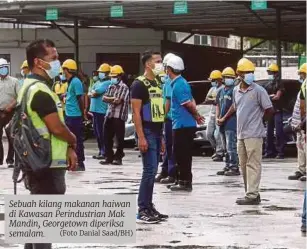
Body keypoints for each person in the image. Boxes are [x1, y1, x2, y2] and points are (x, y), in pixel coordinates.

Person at [20, 39, 77, 249]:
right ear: (38, 62)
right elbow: (57, 128)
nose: (57, 62)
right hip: (47, 163)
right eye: (53, 58)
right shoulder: (41, 91)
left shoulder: (27, 85)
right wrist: (73, 140)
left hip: (34, 160)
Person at [218, 58, 274, 205]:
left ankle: (252, 194)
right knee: (243, 165)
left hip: (254, 134)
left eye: (251, 72)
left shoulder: (259, 91)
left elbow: (269, 109)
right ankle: (250, 192)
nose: (250, 75)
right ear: (239, 74)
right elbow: (235, 107)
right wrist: (224, 117)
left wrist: (261, 122)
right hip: (241, 134)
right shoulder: (236, 90)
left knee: (253, 164)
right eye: (246, 72)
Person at [131, 50, 168, 223]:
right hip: (146, 130)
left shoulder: (159, 83)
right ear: (148, 64)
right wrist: (141, 137)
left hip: (156, 131)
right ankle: (143, 209)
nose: (161, 64)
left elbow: (159, 113)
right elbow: (136, 113)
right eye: (158, 61)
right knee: (149, 170)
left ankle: (149, 206)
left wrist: (161, 138)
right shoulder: (139, 84)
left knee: (153, 170)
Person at [167, 55, 205, 192]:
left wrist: (197, 116)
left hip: (183, 125)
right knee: (180, 154)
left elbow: (188, 104)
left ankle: (185, 182)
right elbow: (192, 100)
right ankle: (181, 180)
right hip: (181, 124)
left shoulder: (179, 85)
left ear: (169, 69)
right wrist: (196, 115)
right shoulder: (181, 83)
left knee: (182, 154)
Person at [100, 65, 129, 166]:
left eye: (114, 76)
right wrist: (112, 99)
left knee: (119, 138)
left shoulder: (124, 87)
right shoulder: (110, 86)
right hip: (109, 114)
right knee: (106, 137)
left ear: (120, 76)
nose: (112, 78)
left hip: (119, 116)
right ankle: (109, 157)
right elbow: (104, 98)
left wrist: (110, 99)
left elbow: (118, 100)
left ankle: (118, 157)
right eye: (111, 76)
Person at [156, 53, 177, 185]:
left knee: (170, 147)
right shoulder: (166, 81)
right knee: (167, 147)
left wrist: (163, 116)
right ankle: (165, 169)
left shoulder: (170, 82)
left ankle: (171, 172)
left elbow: (168, 102)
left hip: (170, 118)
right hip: (167, 118)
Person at [62, 59, 86, 171]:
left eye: (63, 69)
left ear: (67, 70)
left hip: (75, 115)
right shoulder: (70, 82)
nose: (62, 72)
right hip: (69, 114)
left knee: (77, 140)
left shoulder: (76, 81)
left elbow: (80, 98)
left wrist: (83, 113)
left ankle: (80, 163)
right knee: (70, 140)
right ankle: (72, 162)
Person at [216, 67, 240, 176]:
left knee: (231, 146)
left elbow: (233, 107)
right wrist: (217, 118)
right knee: (225, 147)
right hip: (221, 122)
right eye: (226, 77)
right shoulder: (220, 90)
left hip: (231, 122)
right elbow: (217, 105)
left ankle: (234, 167)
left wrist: (224, 118)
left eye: (231, 77)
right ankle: (227, 165)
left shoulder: (235, 90)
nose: (228, 79)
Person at [89, 63, 111, 160]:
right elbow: (90, 92)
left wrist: (92, 93)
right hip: (94, 111)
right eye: (100, 72)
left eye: (102, 72)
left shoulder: (107, 83)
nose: (100, 74)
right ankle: (100, 151)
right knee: (97, 133)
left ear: (107, 73)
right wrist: (92, 93)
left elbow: (95, 93)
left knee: (102, 132)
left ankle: (104, 152)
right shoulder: (97, 82)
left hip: (101, 111)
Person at [0, 58, 20, 168]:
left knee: (11, 136)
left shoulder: (14, 81)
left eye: (5, 68)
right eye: (1, 68)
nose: (3, 70)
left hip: (11, 113)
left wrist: (11, 106)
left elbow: (19, 96)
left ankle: (10, 160)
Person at [288, 63, 306, 182]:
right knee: (300, 146)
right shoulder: (304, 85)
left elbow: (304, 106)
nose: (300, 76)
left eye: (301, 73)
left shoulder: (305, 84)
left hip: (304, 123)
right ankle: (302, 169)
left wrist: (303, 122)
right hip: (300, 123)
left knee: (304, 146)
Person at [263, 63, 285, 159]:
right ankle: (269, 151)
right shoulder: (268, 84)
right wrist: (271, 96)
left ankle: (280, 152)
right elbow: (264, 97)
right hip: (270, 111)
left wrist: (270, 96)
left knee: (279, 132)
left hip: (277, 110)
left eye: (271, 72)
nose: (269, 74)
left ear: (275, 73)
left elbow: (277, 97)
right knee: (269, 132)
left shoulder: (279, 83)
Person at [204, 70, 224, 162]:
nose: (212, 82)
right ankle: (216, 149)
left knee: (218, 134)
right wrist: (213, 100)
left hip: (219, 114)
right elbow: (207, 100)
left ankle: (220, 153)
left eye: (213, 80)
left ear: (219, 80)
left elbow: (218, 101)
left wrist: (213, 100)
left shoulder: (223, 88)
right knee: (209, 133)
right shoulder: (212, 89)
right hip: (212, 113)